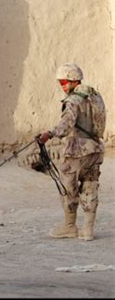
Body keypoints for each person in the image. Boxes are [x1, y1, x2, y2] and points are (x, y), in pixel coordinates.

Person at [38, 62, 105, 241]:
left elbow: (67, 124)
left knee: (68, 187)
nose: (62, 87)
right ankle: (88, 230)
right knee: (91, 186)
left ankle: (69, 226)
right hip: (96, 149)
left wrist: (49, 134)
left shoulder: (73, 100)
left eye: (63, 82)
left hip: (77, 149)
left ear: (73, 81)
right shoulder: (95, 96)